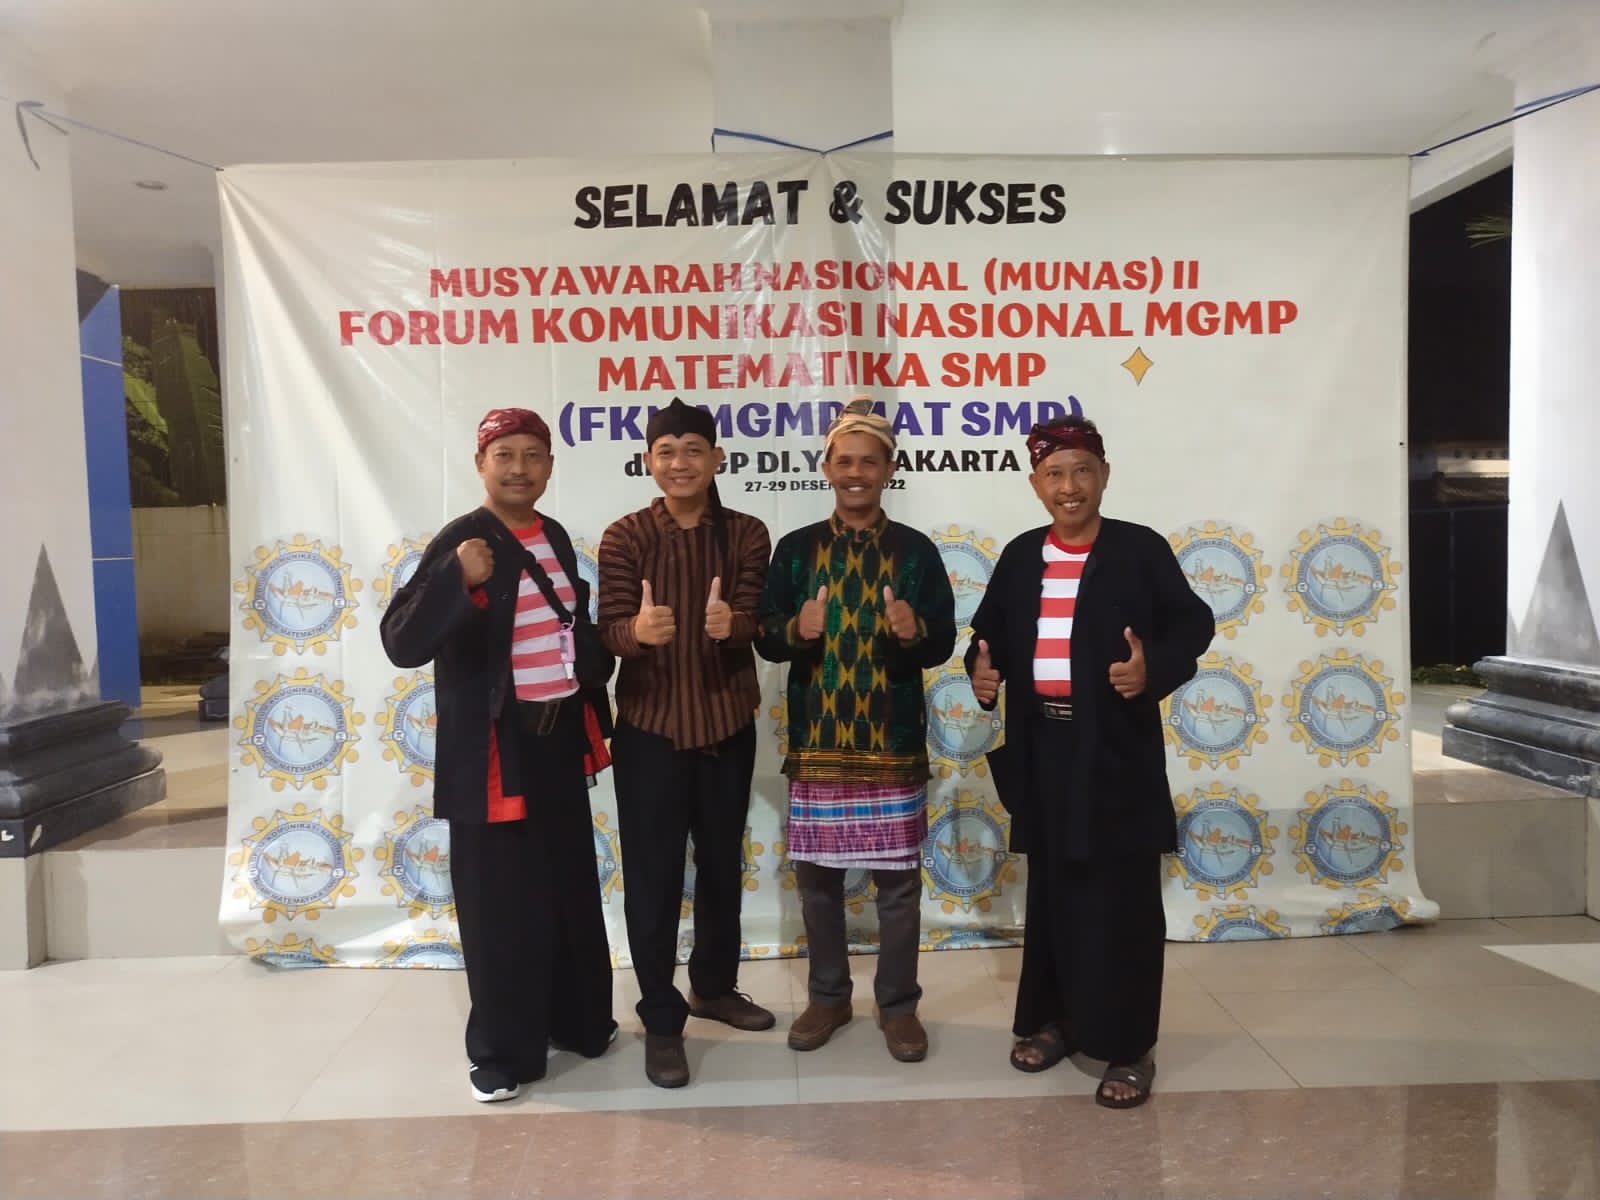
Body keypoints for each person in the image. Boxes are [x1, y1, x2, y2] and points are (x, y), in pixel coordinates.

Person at [964, 413, 1213, 1109]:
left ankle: (1129, 1047)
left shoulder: (1139, 550)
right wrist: (981, 672)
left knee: (1122, 900)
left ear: (1104, 476)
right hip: (1043, 749)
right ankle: (1054, 1021)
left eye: (1081, 471)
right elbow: (987, 636)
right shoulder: (1022, 556)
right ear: (1036, 484)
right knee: (1053, 894)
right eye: (1054, 474)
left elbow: (1193, 624)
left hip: (1116, 749)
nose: (1068, 486)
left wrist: (1152, 667)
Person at [380, 407, 618, 1103]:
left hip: (559, 741)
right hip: (495, 752)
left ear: (550, 466)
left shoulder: (556, 536)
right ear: (480, 464)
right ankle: (500, 1052)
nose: (519, 468)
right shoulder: (462, 539)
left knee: (569, 888)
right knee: (498, 904)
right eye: (505, 455)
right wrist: (456, 579)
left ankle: (578, 1020)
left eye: (533, 455)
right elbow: (400, 641)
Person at [756, 396, 956, 1063]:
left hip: (891, 743)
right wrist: (796, 627)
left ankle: (898, 1006)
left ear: (889, 469)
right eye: (844, 461)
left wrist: (915, 629)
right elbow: (766, 636)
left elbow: (942, 642)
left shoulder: (916, 552)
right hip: (818, 740)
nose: (856, 473)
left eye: (869, 462)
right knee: (818, 880)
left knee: (897, 886)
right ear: (826, 468)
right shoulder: (796, 550)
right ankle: (829, 997)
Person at [597, 397, 775, 1089]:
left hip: (727, 722)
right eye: (667, 451)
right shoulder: (625, 536)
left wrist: (735, 625)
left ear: (717, 458)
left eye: (694, 449)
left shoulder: (748, 533)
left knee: (722, 865)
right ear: (648, 461)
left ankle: (714, 987)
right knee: (653, 877)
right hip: (649, 727)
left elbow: (761, 617)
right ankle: (662, 1018)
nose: (680, 463)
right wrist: (635, 635)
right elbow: (609, 629)